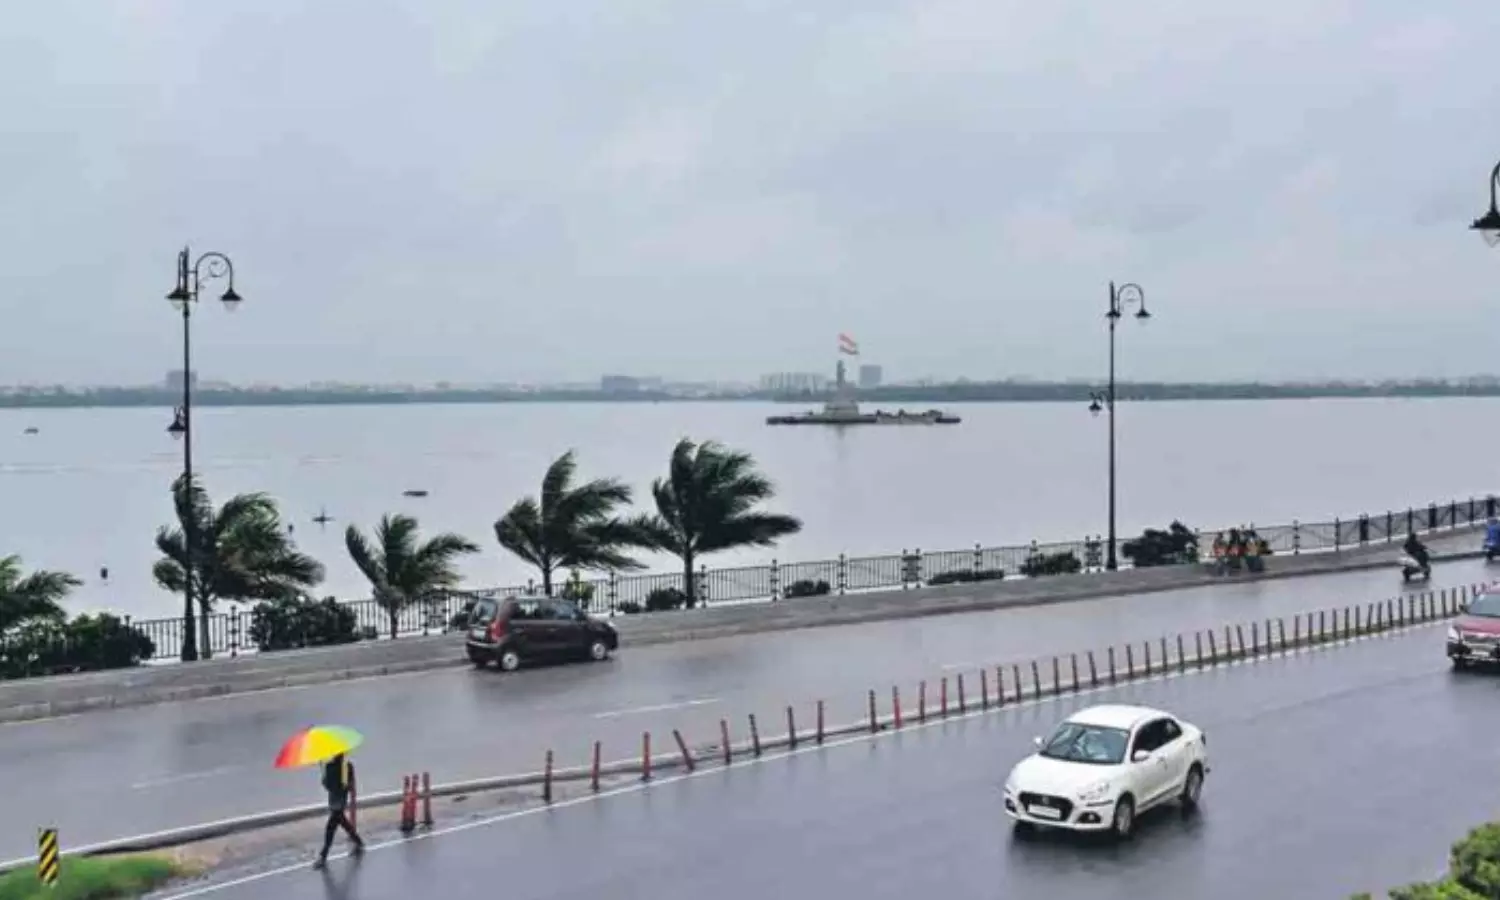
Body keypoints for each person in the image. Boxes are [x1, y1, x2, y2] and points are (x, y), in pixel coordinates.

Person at [314, 753, 364, 869]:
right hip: (341, 800)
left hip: (334, 801)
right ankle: (359, 842)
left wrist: (324, 780)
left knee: (330, 828)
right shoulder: (348, 766)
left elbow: (328, 786)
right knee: (343, 823)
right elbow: (350, 786)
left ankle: (323, 855)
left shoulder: (329, 767)